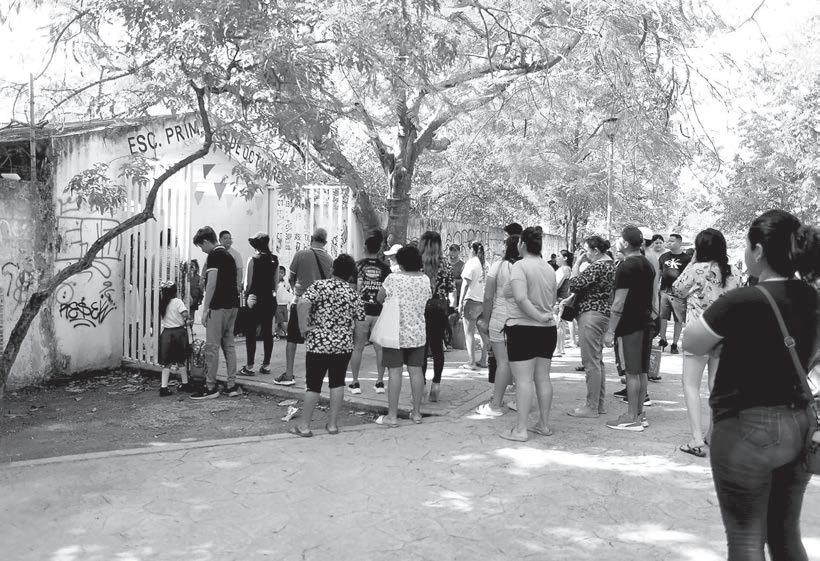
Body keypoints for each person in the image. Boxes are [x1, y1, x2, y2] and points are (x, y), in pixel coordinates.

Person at [683, 209, 819, 560]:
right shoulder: (811, 297)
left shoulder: (741, 301)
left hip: (746, 428)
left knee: (745, 541)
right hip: (799, 423)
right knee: (785, 535)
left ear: (758, 250)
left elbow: (692, 342)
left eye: (746, 244)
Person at [671, 228, 739, 457]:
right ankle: (712, 434)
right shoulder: (733, 272)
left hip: (698, 333)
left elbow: (677, 289)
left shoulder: (696, 269)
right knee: (716, 386)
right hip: (725, 335)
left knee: (690, 384)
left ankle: (696, 439)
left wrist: (692, 263)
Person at [290, 254, 365, 437]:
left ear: (332, 269)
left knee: (313, 385)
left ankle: (305, 426)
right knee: (337, 383)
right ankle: (332, 425)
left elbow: (302, 303)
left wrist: (303, 328)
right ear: (350, 275)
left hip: (319, 343)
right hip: (343, 345)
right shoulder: (353, 294)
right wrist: (357, 344)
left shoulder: (319, 286)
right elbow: (361, 324)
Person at [500, 227, 557, 442]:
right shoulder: (548, 268)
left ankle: (521, 430)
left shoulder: (520, 266)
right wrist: (542, 316)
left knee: (523, 380)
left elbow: (521, 298)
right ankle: (544, 424)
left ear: (522, 244)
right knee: (543, 377)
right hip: (547, 330)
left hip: (523, 329)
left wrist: (538, 317)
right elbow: (551, 299)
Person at [604, 226, 657, 430]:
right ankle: (639, 414)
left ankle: (631, 417)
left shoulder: (626, 266)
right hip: (645, 322)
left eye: (620, 239)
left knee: (632, 373)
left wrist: (610, 330)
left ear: (625, 243)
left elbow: (618, 303)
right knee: (642, 372)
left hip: (630, 326)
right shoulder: (647, 264)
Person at [374, 246, 432, 426]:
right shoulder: (425, 279)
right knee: (416, 372)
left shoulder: (393, 278)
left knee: (394, 373)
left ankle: (392, 416)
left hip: (395, 333)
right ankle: (416, 413)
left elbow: (379, 298)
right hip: (417, 333)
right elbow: (427, 298)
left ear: (401, 262)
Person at [564, 236, 616, 418]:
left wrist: (577, 263)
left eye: (586, 250)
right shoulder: (610, 265)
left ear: (595, 250)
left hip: (591, 315)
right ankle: (598, 404)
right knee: (597, 361)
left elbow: (574, 284)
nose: (585, 254)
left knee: (590, 362)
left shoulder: (598, 266)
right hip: (601, 314)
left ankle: (591, 406)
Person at [275, 228, 333, 386]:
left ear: (311, 238)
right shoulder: (330, 259)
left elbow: (291, 278)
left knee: (292, 339)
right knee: (316, 341)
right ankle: (314, 377)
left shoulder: (300, 254)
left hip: (300, 302)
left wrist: (297, 290)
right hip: (319, 306)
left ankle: (289, 374)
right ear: (325, 242)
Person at [190, 226, 241, 400]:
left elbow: (211, 284)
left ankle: (210, 387)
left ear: (206, 241)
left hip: (218, 306)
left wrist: (205, 309)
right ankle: (232, 385)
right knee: (229, 346)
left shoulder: (214, 255)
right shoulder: (229, 255)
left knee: (212, 347)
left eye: (201, 246)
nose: (202, 250)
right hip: (233, 306)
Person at [475, 234, 521, 416]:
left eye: (504, 243)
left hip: (500, 317)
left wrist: (486, 320)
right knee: (520, 362)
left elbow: (488, 296)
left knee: (503, 362)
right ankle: (520, 400)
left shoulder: (498, 266)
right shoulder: (525, 266)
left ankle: (496, 404)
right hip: (522, 319)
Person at [349, 235, 391, 394]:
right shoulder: (385, 268)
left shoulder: (357, 266)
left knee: (358, 348)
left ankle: (355, 382)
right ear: (379, 249)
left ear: (365, 247)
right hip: (379, 312)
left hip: (362, 312)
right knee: (380, 349)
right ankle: (380, 382)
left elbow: (352, 289)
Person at [419, 232, 454, 401]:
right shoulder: (445, 264)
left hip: (421, 309)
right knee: (438, 348)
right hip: (439, 309)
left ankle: (421, 386)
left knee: (421, 348)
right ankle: (436, 385)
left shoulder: (417, 263)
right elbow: (450, 288)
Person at [239, 233, 279, 376]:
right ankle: (266, 365)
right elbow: (275, 283)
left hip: (254, 299)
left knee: (251, 332)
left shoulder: (253, 260)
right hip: (270, 300)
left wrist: (247, 295)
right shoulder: (274, 259)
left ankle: (249, 366)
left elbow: (248, 283)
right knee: (268, 332)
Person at [658, 233, 692, 353]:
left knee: (678, 319)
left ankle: (674, 344)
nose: (669, 243)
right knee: (663, 317)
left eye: (672, 241)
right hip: (664, 291)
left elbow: (689, 277)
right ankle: (662, 339)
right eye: (668, 241)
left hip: (679, 294)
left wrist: (686, 292)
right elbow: (659, 273)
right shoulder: (663, 257)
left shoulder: (687, 259)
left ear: (679, 242)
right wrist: (656, 287)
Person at [158, 281, 193, 396]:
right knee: (180, 360)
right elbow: (185, 314)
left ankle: (163, 387)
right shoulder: (178, 302)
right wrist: (187, 320)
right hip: (179, 334)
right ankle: (185, 384)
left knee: (167, 362)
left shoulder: (163, 303)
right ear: (175, 292)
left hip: (166, 334)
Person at [460, 241, 490, 370]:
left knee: (469, 333)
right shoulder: (486, 264)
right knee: (483, 333)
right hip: (484, 302)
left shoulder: (471, 263)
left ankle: (471, 361)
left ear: (472, 249)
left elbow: (466, 284)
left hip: (471, 300)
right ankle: (484, 360)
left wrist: (460, 302)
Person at [554, 249, 573, 357]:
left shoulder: (562, 270)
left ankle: (557, 349)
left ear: (565, 258)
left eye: (558, 256)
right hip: (565, 300)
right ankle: (560, 348)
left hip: (559, 300)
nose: (556, 258)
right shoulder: (569, 269)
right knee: (561, 324)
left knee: (557, 324)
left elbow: (555, 285)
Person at [219, 230, 244, 302]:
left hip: (231, 286)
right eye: (225, 238)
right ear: (220, 240)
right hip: (218, 286)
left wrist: (238, 285)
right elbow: (206, 265)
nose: (228, 240)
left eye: (230, 238)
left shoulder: (236, 254)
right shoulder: (215, 252)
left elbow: (239, 270)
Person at [275, 265, 293, 338]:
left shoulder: (285, 283)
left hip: (284, 304)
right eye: (278, 272)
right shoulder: (274, 283)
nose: (280, 274)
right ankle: (285, 333)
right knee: (279, 320)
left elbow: (288, 291)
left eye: (281, 273)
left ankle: (281, 332)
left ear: (284, 274)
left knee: (284, 320)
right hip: (277, 304)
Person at [448, 244, 465, 309]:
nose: (452, 252)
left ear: (459, 252)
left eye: (455, 251)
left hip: (457, 295)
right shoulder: (445, 264)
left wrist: (454, 281)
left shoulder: (462, 265)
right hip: (446, 295)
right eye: (451, 250)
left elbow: (464, 280)